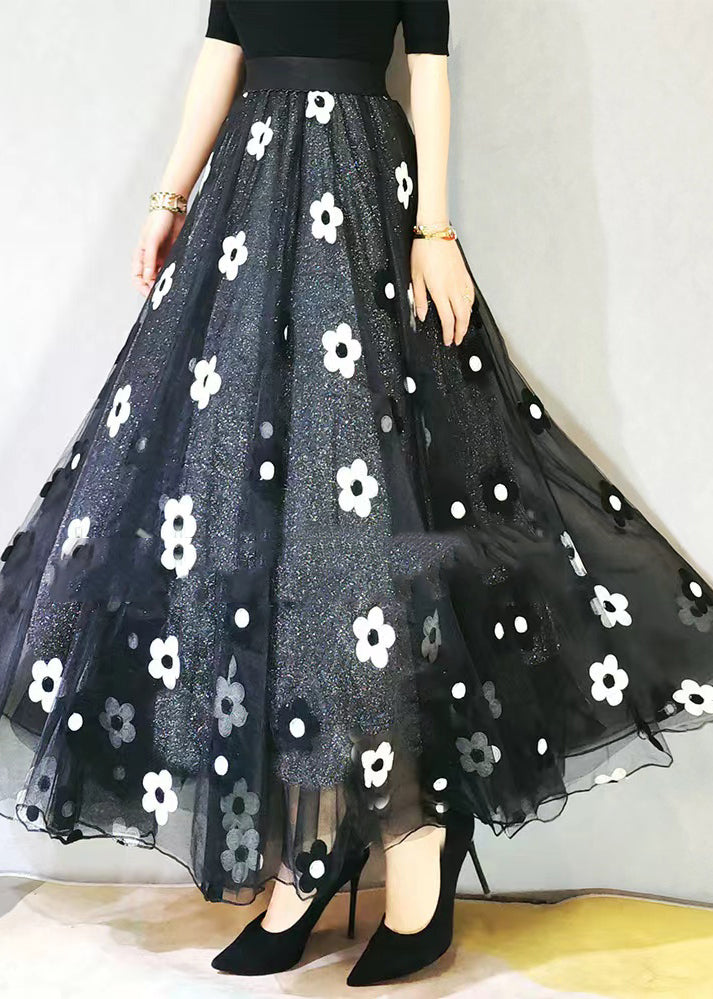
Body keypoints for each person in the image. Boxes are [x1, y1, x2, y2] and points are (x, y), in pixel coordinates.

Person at [2, 0, 713, 987]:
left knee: (357, 528)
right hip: (249, 203)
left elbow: (430, 67)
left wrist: (435, 229)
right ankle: (316, 835)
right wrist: (168, 198)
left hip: (357, 195)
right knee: (247, 529)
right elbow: (222, 50)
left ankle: (412, 835)